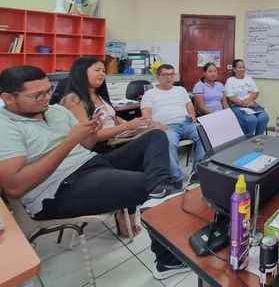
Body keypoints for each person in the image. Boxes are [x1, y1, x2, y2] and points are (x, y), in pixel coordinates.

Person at [0, 65, 188, 280]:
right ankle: (168, 261)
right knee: (154, 188)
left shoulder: (56, 111)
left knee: (156, 136)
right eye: (37, 95)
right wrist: (69, 141)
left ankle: (160, 189)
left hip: (92, 164)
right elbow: (15, 188)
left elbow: (87, 146)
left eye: (49, 90)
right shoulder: (5, 127)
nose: (46, 98)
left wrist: (90, 132)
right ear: (8, 98)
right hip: (58, 189)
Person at [60, 56, 166, 237]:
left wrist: (138, 125)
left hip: (114, 144)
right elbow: (87, 138)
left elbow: (115, 119)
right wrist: (128, 126)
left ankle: (135, 205)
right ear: (81, 72)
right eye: (97, 70)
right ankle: (154, 188)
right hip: (95, 154)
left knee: (154, 134)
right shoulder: (73, 100)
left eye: (103, 70)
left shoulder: (99, 96)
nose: (102, 74)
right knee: (150, 144)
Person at [140, 64, 203, 188]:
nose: (169, 77)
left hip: (186, 123)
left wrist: (192, 114)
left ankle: (197, 174)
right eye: (165, 74)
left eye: (171, 74)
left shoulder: (180, 90)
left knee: (205, 134)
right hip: (166, 127)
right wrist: (156, 125)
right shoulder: (150, 93)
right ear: (158, 77)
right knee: (168, 142)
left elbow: (189, 105)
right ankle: (176, 179)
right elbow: (146, 115)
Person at [224, 59, 269, 136]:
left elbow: (256, 92)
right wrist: (244, 103)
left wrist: (249, 99)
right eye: (240, 67)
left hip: (251, 104)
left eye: (243, 67)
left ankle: (258, 138)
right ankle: (247, 139)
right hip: (237, 106)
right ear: (234, 69)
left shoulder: (249, 78)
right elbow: (230, 97)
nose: (242, 69)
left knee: (264, 117)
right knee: (252, 120)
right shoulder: (230, 80)